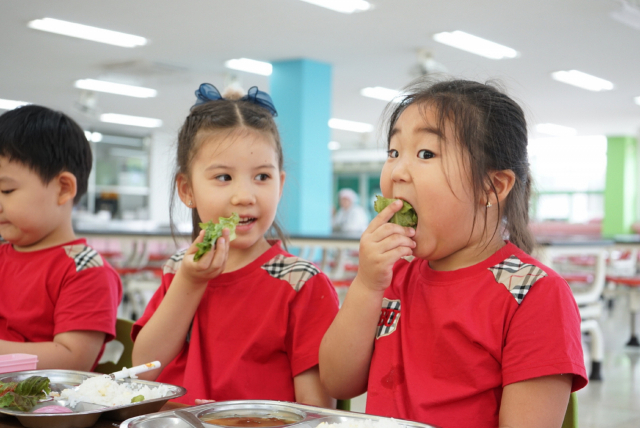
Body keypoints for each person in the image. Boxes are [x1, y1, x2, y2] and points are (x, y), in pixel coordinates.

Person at [319, 78, 588, 428]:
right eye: (393, 152)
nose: (398, 171)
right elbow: (338, 381)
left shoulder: (533, 294)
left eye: (426, 154)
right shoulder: (394, 277)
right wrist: (367, 285)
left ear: (492, 186)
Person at [131, 84, 339, 406]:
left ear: (280, 185)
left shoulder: (300, 283)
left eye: (262, 177)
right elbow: (144, 368)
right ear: (187, 190)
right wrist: (191, 281)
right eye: (224, 177)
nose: (245, 196)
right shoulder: (180, 268)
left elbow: (315, 410)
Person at [0, 105, 122, 371]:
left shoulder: (84, 269)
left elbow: (73, 359)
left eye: (6, 190)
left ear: (63, 188)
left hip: (45, 404)